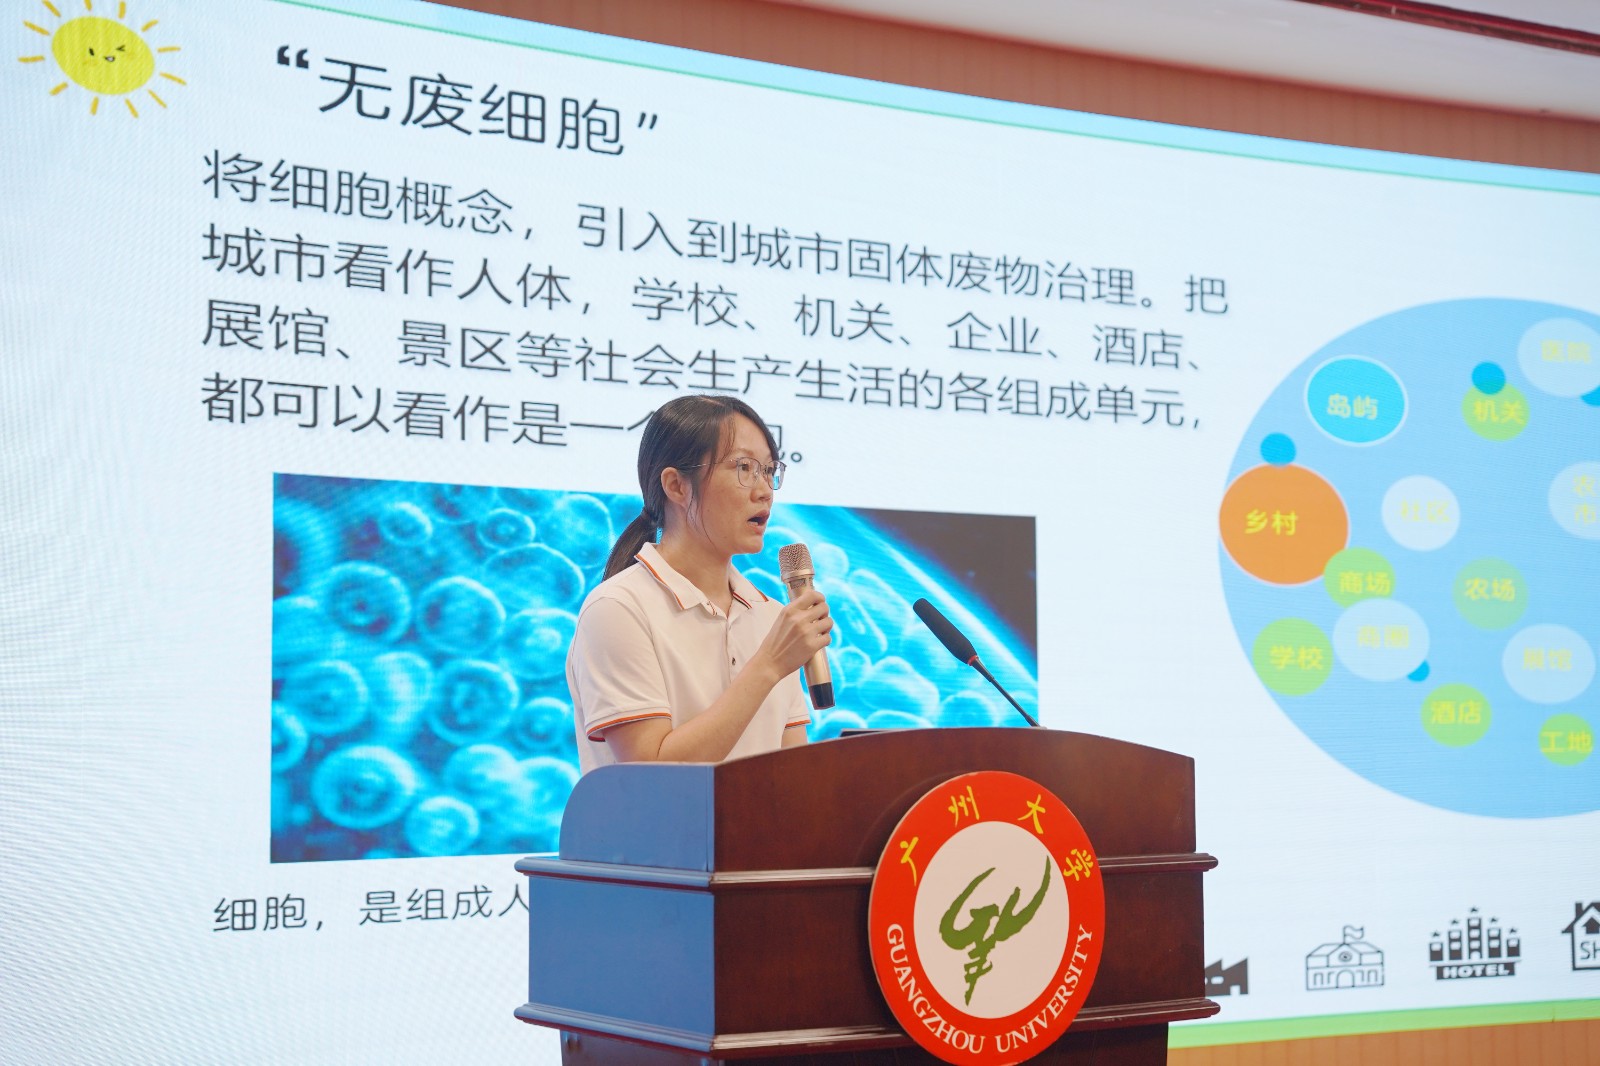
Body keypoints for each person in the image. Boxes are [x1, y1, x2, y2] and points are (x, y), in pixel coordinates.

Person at [567, 396, 832, 773]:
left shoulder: (770, 616)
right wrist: (770, 664)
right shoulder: (618, 608)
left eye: (769, 470)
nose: (764, 490)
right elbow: (651, 773)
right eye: (744, 468)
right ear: (676, 485)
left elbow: (792, 774)